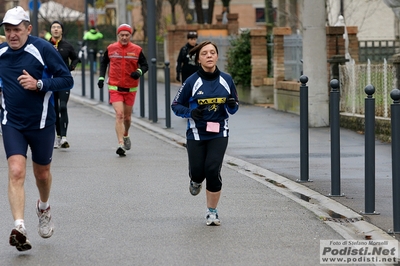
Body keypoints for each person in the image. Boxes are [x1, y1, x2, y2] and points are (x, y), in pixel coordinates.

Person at [0, 6, 74, 252]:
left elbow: (67, 79)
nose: (12, 35)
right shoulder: (0, 53)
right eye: (8, 30)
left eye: (16, 30)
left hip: (42, 123)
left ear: (28, 29)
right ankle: (20, 227)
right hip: (12, 124)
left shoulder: (42, 49)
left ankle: (43, 207)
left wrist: (39, 83)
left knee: (42, 174)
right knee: (16, 171)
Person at [171, 41, 239, 226]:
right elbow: (175, 105)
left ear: (217, 56)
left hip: (219, 132)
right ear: (198, 58)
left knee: (212, 169)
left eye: (212, 52)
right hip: (196, 133)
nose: (209, 56)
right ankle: (195, 180)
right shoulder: (191, 81)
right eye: (205, 53)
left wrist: (232, 105)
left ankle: (212, 212)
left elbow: (234, 107)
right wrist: (190, 113)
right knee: (198, 172)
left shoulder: (227, 79)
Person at [97, 24, 148, 156]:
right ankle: (120, 144)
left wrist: (139, 71)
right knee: (119, 115)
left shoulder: (137, 50)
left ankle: (126, 134)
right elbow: (103, 63)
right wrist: (102, 77)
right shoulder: (111, 48)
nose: (124, 37)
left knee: (127, 118)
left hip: (131, 87)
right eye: (122, 35)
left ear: (130, 35)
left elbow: (145, 65)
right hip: (115, 87)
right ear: (118, 35)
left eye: (127, 35)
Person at [49, 21, 80, 149]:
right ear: (51, 30)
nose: (56, 29)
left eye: (58, 27)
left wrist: (71, 67)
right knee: (55, 109)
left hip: (64, 80)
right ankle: (57, 136)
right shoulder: (45, 45)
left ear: (62, 30)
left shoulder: (67, 46)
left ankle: (64, 137)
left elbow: (76, 58)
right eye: (54, 27)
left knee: (63, 107)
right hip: (51, 80)